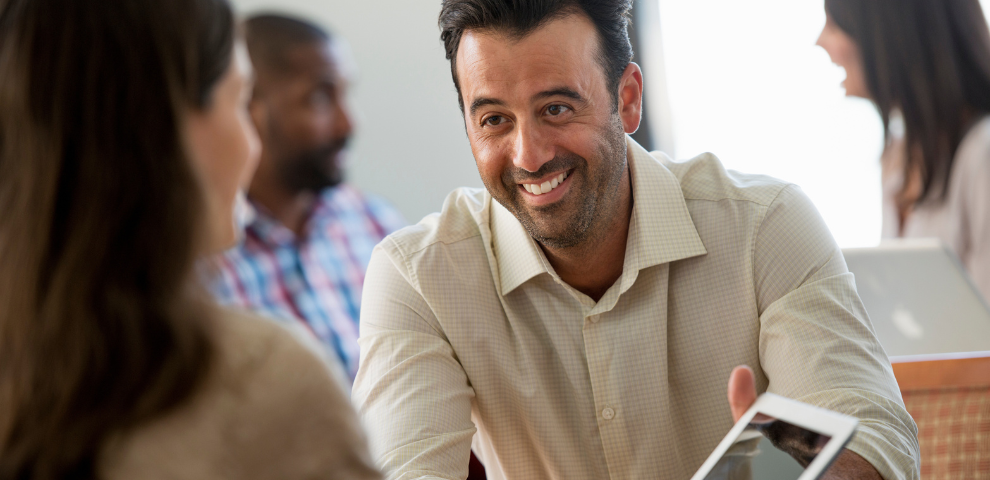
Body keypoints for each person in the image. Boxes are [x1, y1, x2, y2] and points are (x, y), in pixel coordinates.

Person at [352, 1, 920, 479]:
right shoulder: (418, 278)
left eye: (556, 108)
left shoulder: (765, 224)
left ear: (627, 99)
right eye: (494, 120)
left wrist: (796, 461)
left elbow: (878, 439)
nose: (528, 155)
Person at [0, 0, 380, 478]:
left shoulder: (374, 225)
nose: (252, 141)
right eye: (241, 103)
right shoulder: (263, 380)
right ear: (163, 131)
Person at [210, 14, 406, 380]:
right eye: (320, 97)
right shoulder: (204, 266)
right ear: (247, 107)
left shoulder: (381, 229)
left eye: (346, 93)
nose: (348, 123)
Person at [817, 0, 990, 300]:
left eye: (835, 24)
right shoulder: (899, 156)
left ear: (890, 32)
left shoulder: (982, 153)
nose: (820, 41)